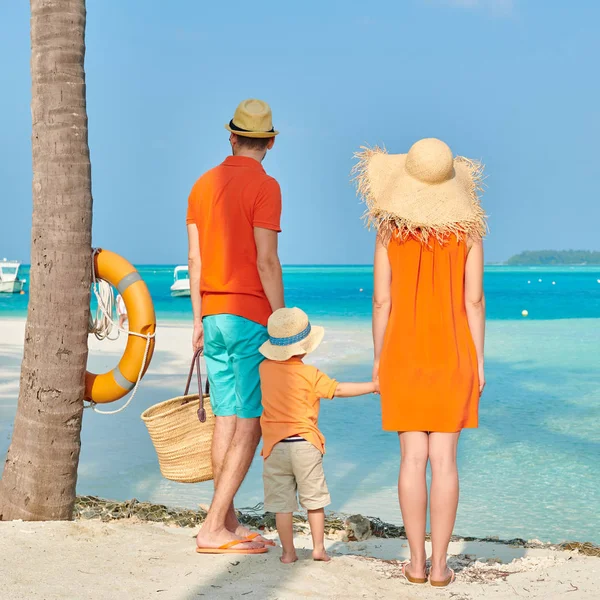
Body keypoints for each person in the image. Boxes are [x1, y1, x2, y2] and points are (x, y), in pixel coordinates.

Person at [355, 138, 487, 586]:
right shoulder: (468, 230)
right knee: (444, 461)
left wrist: (378, 359)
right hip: (453, 356)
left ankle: (414, 563)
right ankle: (441, 566)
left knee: (412, 459)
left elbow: (380, 301)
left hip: (402, 355)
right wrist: (480, 362)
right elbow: (474, 301)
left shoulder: (389, 231)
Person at [187, 99, 284, 554]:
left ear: (231, 136)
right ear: (269, 142)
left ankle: (224, 520)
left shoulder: (202, 185)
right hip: (249, 317)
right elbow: (266, 259)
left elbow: (195, 261)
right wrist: (281, 320)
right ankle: (212, 527)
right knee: (250, 422)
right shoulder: (266, 187)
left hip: (212, 315)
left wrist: (197, 320)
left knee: (227, 416)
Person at [258, 307, 377, 563]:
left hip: (274, 447)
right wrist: (374, 386)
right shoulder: (310, 374)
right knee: (314, 501)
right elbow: (339, 389)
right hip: (304, 444)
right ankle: (318, 549)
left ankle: (288, 553)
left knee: (282, 505)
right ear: (305, 347)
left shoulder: (264, 369)